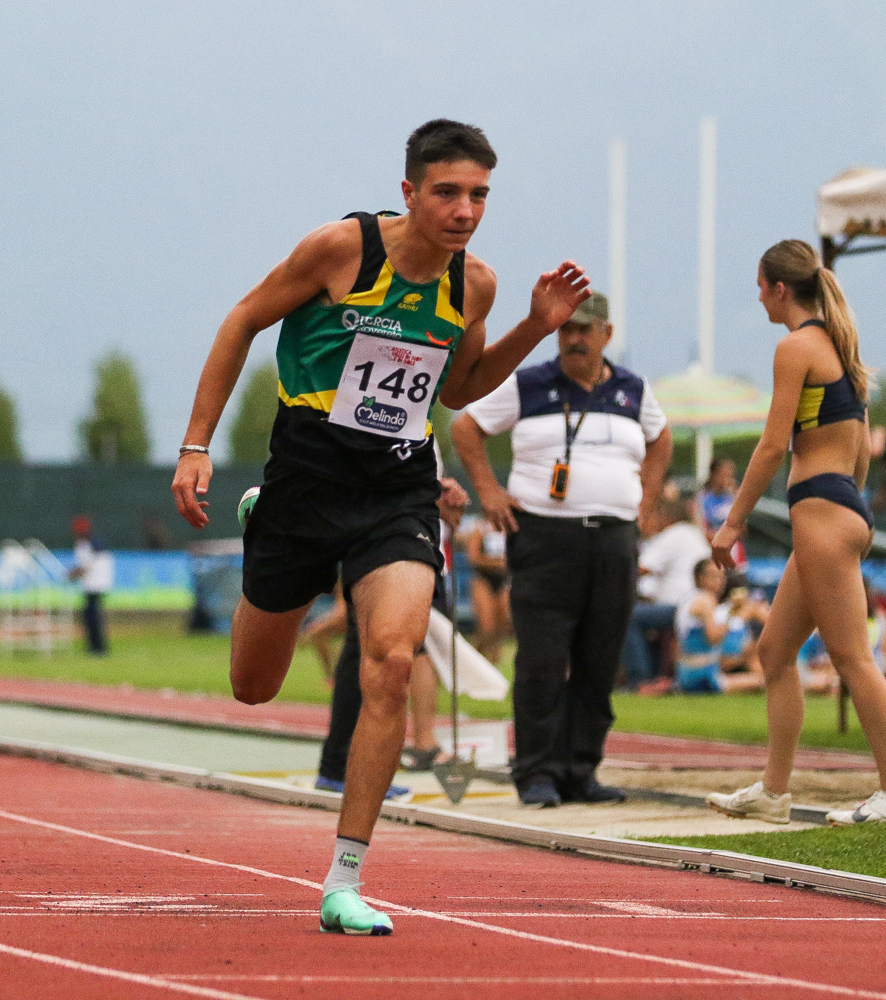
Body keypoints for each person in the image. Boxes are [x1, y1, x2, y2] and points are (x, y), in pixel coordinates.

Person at [170, 119, 591, 936]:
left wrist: (536, 326)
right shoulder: (342, 251)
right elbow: (242, 320)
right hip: (303, 486)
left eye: (479, 195)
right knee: (253, 686)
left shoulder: (474, 285)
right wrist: (196, 445)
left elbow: (459, 388)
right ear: (409, 191)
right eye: (448, 193)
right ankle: (262, 528)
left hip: (398, 490)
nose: (465, 211)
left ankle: (345, 879)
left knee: (392, 662)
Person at [705, 239, 886, 827]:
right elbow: (861, 452)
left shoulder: (796, 347)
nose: (758, 298)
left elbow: (773, 445)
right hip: (839, 508)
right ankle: (773, 793)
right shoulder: (841, 348)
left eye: (760, 286)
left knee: (852, 658)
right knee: (774, 652)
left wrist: (733, 522)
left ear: (780, 289)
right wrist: (848, 511)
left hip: (823, 514)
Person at [453, 290, 672, 809]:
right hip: (545, 538)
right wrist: (488, 491)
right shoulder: (530, 383)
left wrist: (648, 499)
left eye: (584, 330)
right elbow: (466, 426)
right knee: (542, 660)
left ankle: (581, 770)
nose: (574, 338)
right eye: (566, 329)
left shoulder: (632, 389)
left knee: (600, 659)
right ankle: (537, 773)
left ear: (606, 334)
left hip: (614, 539)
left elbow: (661, 438)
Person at [317, 476, 470, 792]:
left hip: (418, 547)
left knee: (404, 657)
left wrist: (438, 491)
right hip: (383, 544)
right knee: (378, 656)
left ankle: (367, 763)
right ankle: (346, 768)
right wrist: (432, 492)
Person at [620, 491, 711, 688]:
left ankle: (640, 681)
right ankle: (655, 676)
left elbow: (640, 569)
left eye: (654, 515)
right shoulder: (692, 533)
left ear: (666, 516)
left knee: (628, 616)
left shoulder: (675, 534)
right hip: (693, 603)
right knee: (643, 616)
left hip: (681, 606)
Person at [674, 559, 764, 694]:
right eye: (713, 576)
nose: (718, 582)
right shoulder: (706, 600)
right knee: (764, 682)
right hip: (702, 676)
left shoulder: (688, 599)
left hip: (689, 672)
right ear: (699, 578)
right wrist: (735, 616)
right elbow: (713, 637)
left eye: (721, 577)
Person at [460, 513, 512, 662]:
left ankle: (494, 661)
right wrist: (498, 563)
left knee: (501, 624)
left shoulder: (509, 528)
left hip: (503, 580)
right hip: (483, 579)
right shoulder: (480, 529)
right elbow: (473, 557)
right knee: (487, 626)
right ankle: (479, 656)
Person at [68, 516, 113, 656]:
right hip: (98, 585)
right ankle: (96, 646)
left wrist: (70, 575)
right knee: (93, 617)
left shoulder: (84, 546)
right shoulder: (95, 544)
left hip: (93, 586)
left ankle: (97, 647)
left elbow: (83, 568)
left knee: (92, 618)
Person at [700, 457, 746, 566]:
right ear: (714, 475)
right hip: (710, 553)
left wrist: (735, 496)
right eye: (725, 475)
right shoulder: (702, 499)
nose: (728, 480)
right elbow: (700, 531)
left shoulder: (733, 498)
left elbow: (743, 530)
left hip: (735, 555)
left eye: (731, 476)